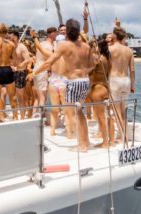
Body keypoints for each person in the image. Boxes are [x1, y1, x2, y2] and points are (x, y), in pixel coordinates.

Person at [33, 18, 95, 152]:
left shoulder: (64, 45)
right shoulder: (86, 46)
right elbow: (92, 65)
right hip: (85, 81)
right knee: (80, 112)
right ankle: (86, 141)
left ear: (67, 31)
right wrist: (83, 71)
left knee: (72, 113)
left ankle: (82, 145)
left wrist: (34, 73)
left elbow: (48, 63)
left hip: (73, 82)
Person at [33, 26, 73, 137]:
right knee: (66, 109)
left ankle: (52, 131)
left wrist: (34, 37)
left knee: (54, 109)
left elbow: (40, 49)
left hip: (54, 82)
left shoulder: (52, 55)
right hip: (64, 81)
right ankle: (69, 133)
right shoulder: (69, 56)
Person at [109, 26, 135, 143]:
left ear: (114, 36)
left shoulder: (110, 49)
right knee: (123, 109)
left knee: (116, 110)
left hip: (114, 79)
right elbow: (132, 69)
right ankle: (124, 134)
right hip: (126, 80)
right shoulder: (129, 50)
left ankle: (123, 136)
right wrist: (133, 85)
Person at [87, 37, 113, 148]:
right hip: (106, 88)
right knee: (108, 116)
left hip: (97, 89)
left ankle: (105, 143)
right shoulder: (108, 59)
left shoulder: (98, 60)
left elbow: (88, 72)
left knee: (101, 117)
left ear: (99, 47)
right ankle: (111, 141)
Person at [9, 30, 33, 119]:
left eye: (12, 37)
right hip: (11, 73)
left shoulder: (22, 47)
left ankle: (22, 117)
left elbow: (28, 60)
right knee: (12, 96)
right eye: (9, 37)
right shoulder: (9, 47)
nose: (10, 39)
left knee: (21, 96)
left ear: (16, 37)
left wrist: (18, 66)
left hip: (20, 73)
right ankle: (15, 116)